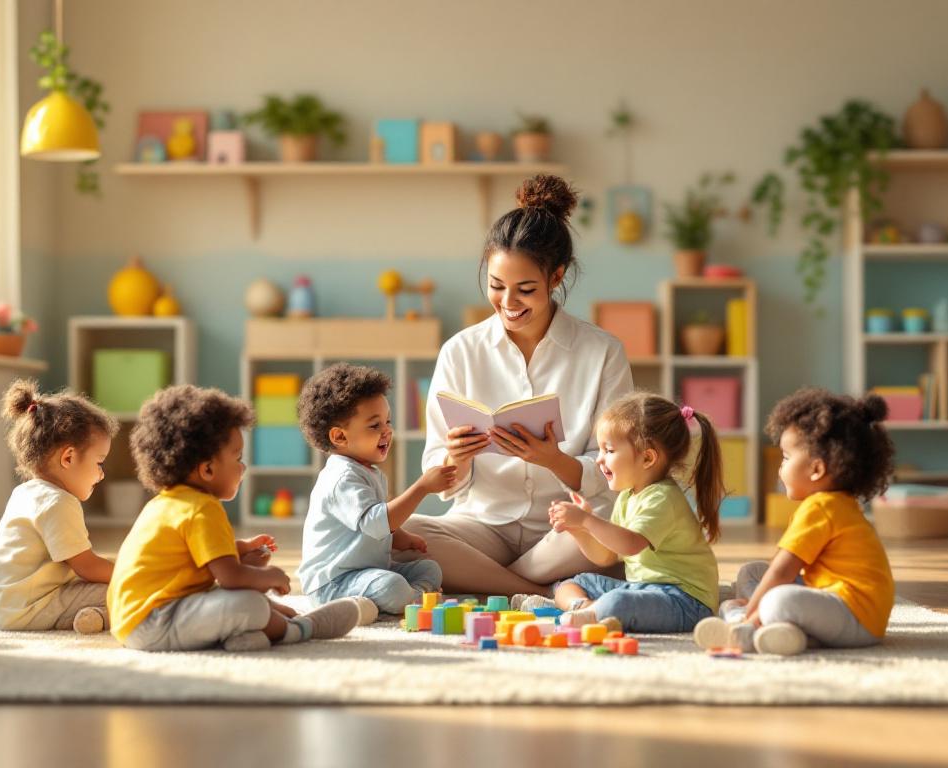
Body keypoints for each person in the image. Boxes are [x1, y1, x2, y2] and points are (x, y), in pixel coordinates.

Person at [404, 174, 634, 595]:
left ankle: (494, 582)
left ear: (556, 277)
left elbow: (618, 466)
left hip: (567, 528)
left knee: (619, 531)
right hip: (481, 526)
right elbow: (438, 476)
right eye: (496, 287)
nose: (509, 303)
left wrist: (554, 460)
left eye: (525, 289)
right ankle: (542, 591)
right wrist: (458, 458)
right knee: (402, 534)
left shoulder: (602, 352)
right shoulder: (460, 352)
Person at [107, 385, 374, 652]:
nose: (243, 467)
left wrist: (240, 549)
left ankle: (248, 633)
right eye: (237, 458)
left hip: (134, 621)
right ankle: (300, 629)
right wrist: (270, 576)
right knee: (250, 603)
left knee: (238, 600)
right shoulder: (202, 508)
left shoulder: (167, 503)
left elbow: (192, 559)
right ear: (208, 469)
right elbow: (230, 577)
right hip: (154, 624)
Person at [695, 388, 896, 656]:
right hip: (844, 608)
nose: (780, 467)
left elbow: (782, 572)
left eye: (786, 458)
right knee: (752, 573)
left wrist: (750, 617)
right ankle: (784, 633)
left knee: (778, 599)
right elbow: (778, 572)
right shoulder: (835, 503)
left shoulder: (821, 507)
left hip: (856, 619)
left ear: (816, 469)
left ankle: (744, 625)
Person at [516, 393, 722, 635]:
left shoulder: (662, 498)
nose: (599, 459)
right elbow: (605, 557)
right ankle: (588, 609)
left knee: (618, 602)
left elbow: (630, 545)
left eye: (609, 450)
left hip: (686, 601)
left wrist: (587, 520)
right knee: (574, 583)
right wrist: (579, 531)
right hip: (643, 589)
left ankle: (592, 612)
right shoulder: (627, 496)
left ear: (647, 457)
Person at [295, 363, 455, 615]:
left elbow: (379, 522)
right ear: (339, 437)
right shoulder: (342, 478)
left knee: (429, 568)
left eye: (387, 421)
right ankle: (412, 599)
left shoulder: (369, 471)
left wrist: (403, 538)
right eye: (374, 425)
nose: (387, 430)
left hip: (365, 570)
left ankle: (412, 596)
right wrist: (422, 487)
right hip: (333, 583)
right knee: (392, 586)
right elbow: (375, 522)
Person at [0, 379, 118, 634]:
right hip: (29, 608)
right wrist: (132, 572)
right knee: (125, 588)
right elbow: (86, 567)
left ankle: (96, 616)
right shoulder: (59, 502)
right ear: (68, 458)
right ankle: (102, 614)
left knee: (106, 579)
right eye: (99, 463)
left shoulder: (25, 493)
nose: (101, 474)